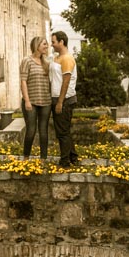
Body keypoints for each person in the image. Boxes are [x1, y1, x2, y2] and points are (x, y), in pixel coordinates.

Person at [19, 36, 52, 160]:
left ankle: (43, 159)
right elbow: (23, 81)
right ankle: (26, 157)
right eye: (44, 44)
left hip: (46, 101)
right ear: (37, 45)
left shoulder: (47, 63)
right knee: (31, 130)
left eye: (47, 44)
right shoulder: (27, 61)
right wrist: (27, 100)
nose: (46, 46)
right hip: (31, 101)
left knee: (43, 131)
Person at [50, 31, 79, 169]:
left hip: (65, 99)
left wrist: (60, 102)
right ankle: (73, 157)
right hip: (57, 98)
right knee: (64, 131)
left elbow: (65, 82)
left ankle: (65, 161)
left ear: (61, 42)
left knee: (62, 133)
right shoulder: (57, 57)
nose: (52, 44)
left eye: (54, 42)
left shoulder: (67, 59)